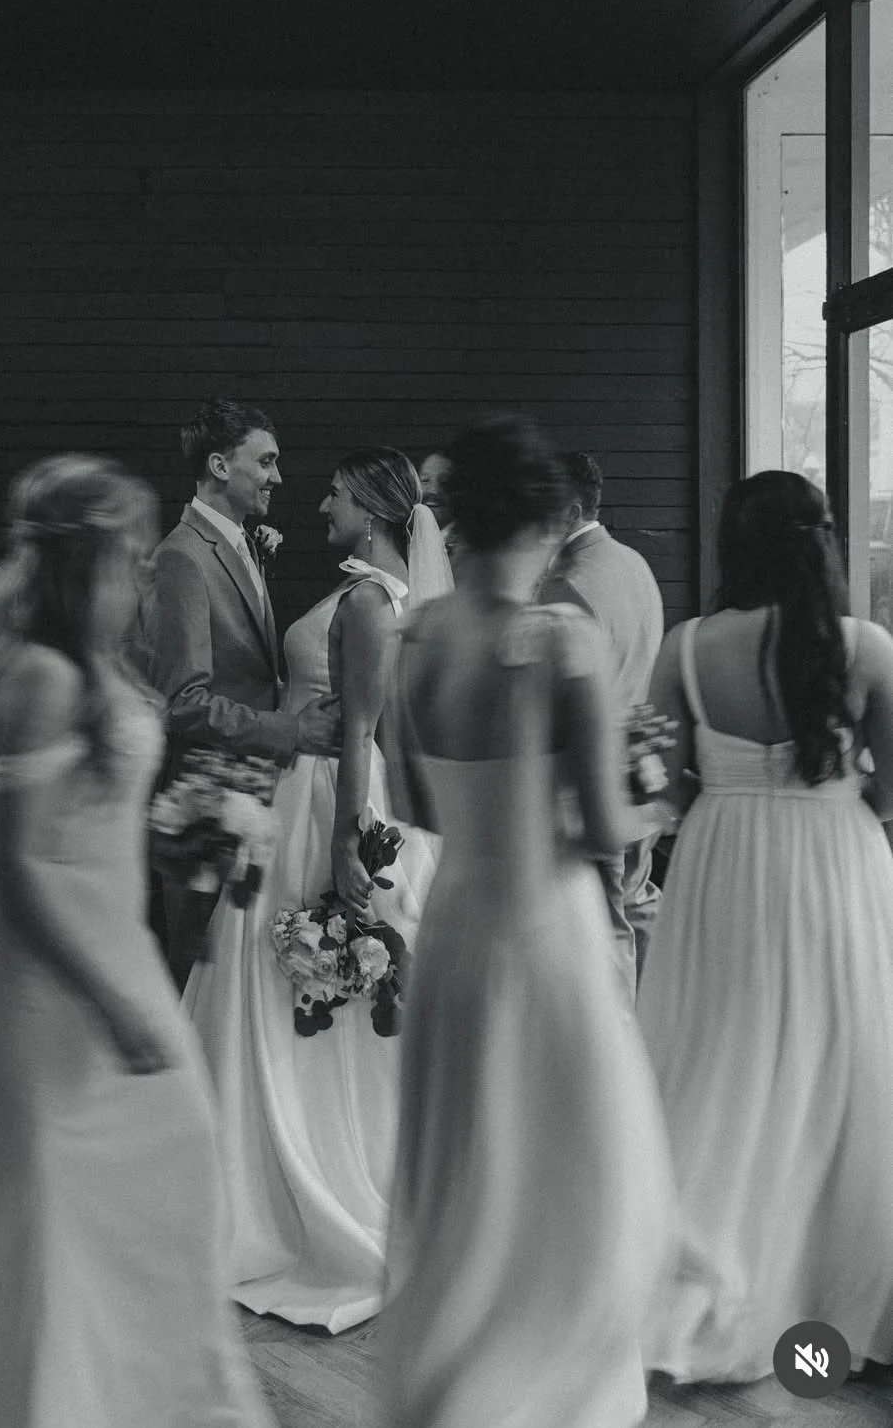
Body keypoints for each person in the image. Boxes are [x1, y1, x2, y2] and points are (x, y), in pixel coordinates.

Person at [0, 456, 275, 1428]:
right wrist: (111, 1003)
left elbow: (97, 812)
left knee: (163, 1164)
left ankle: (136, 1391)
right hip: (54, 968)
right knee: (59, 1193)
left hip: (116, 943)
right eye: (130, 556)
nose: (145, 575)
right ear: (82, 563)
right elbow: (23, 869)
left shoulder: (102, 666)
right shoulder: (35, 672)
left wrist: (192, 837)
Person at [378, 415, 680, 1428]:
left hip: (455, 926)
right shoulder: (560, 640)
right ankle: (544, 1384)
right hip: (545, 931)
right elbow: (600, 826)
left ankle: (459, 1379)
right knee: (570, 1169)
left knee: (470, 1165)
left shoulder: (417, 635)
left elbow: (412, 801)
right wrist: (655, 797)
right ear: (549, 517)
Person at [183, 447, 452, 1334]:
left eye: (335, 493)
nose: (321, 502)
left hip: (325, 807)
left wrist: (343, 852)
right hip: (299, 796)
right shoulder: (369, 594)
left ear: (373, 508)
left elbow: (362, 735)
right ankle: (258, 1170)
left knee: (293, 986)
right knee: (270, 990)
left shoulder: (372, 603)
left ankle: (306, 1183)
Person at [638, 469, 893, 1381]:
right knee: (843, 1058)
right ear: (821, 540)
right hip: (834, 858)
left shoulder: (687, 646)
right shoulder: (864, 647)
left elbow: (661, 788)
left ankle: (713, 1263)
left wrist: (729, 787)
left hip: (722, 863)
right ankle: (836, 1287)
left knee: (721, 1053)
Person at [143, 398, 342, 990]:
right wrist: (291, 729)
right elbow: (182, 700)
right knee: (199, 980)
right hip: (203, 806)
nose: (278, 477)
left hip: (248, 796)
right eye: (267, 461)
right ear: (221, 466)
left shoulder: (241, 544)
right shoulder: (182, 557)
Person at [538, 452, 665, 999]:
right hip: (642, 779)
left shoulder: (565, 586)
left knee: (606, 930)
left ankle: (623, 1050)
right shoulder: (635, 564)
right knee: (636, 910)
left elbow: (557, 708)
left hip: (591, 788)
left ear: (568, 509)